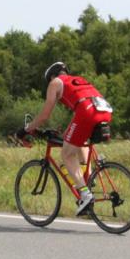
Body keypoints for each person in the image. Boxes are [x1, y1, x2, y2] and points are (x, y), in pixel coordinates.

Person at [26, 62, 113, 216]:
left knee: (66, 155)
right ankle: (88, 176)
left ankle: (85, 194)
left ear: (52, 76)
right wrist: (66, 133)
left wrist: (28, 128)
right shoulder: (77, 80)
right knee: (75, 140)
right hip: (104, 110)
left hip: (87, 111)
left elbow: (45, 115)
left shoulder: (55, 82)